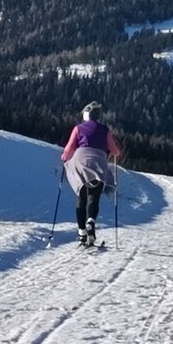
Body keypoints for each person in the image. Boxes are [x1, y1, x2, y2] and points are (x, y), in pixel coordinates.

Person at [61, 101, 121, 246]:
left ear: (85, 115)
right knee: (94, 196)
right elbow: (115, 151)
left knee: (81, 198)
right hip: (99, 162)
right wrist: (113, 153)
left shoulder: (78, 128)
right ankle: (91, 221)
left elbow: (69, 148)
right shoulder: (105, 130)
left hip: (80, 162)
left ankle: (82, 234)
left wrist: (64, 157)